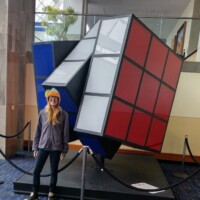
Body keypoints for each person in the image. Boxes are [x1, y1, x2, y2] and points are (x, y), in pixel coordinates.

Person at [26, 88, 69, 200]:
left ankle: (51, 192)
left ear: (58, 100)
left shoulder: (63, 115)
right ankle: (35, 192)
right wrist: (35, 147)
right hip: (43, 146)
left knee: (53, 171)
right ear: (48, 99)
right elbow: (37, 131)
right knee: (36, 170)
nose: (53, 100)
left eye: (55, 98)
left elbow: (65, 134)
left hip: (56, 147)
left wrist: (64, 150)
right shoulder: (42, 113)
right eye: (51, 98)